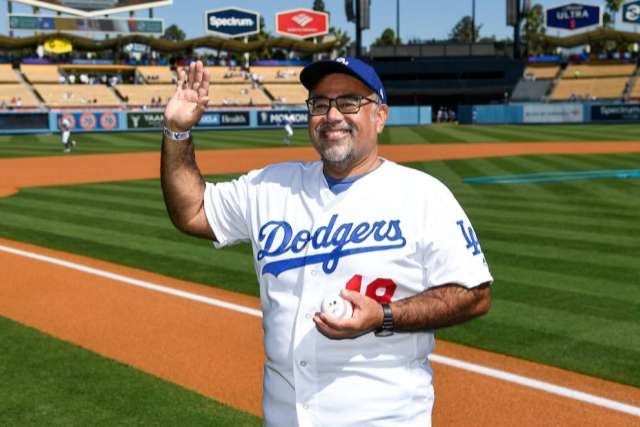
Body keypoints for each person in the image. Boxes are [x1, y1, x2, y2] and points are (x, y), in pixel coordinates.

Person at [161, 58, 492, 426]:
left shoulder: (423, 194)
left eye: (349, 102)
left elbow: (474, 293)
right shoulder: (270, 187)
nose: (332, 114)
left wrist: (384, 316)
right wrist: (177, 132)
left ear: (380, 116)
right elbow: (192, 211)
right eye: (320, 104)